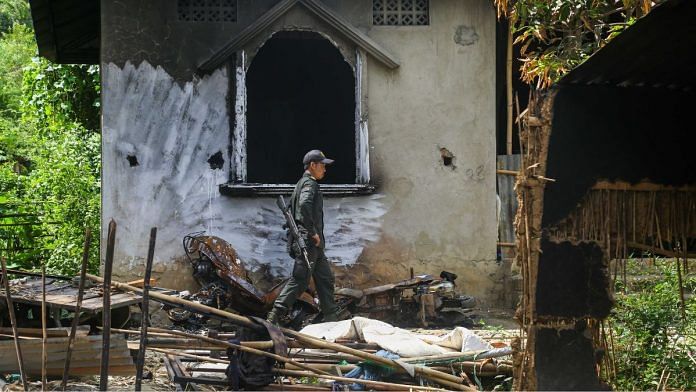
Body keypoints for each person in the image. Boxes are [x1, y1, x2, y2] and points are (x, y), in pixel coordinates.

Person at [266, 150, 339, 325]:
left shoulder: (302, 183)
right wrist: (312, 232)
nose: (324, 170)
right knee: (300, 280)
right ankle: (273, 317)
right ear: (312, 165)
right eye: (322, 165)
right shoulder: (309, 184)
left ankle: (332, 318)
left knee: (325, 279)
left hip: (315, 244)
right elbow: (304, 206)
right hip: (310, 242)